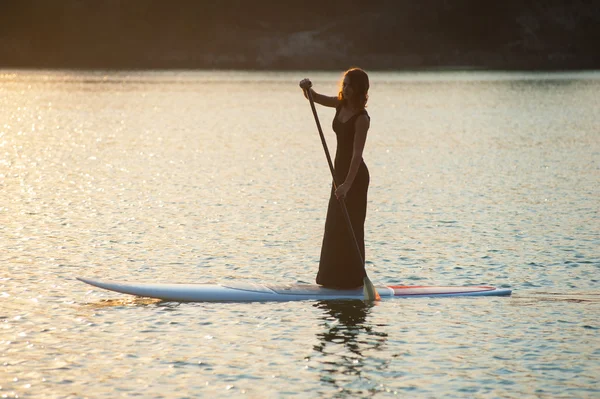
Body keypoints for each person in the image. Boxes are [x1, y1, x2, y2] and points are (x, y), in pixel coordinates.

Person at [299, 68, 371, 289]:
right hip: (338, 174)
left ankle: (353, 280)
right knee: (334, 226)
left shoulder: (362, 119)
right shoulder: (340, 104)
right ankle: (332, 280)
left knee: (352, 227)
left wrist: (347, 185)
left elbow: (357, 155)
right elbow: (315, 98)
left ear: (359, 89)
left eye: (350, 85)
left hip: (354, 177)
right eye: (344, 84)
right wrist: (306, 88)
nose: (345, 88)